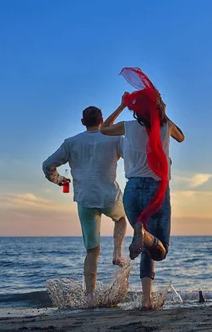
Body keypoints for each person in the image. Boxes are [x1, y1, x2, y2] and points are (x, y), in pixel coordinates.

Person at [100, 91, 185, 310]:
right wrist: (163, 113)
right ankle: (144, 235)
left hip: (132, 190)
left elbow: (104, 128)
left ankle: (146, 300)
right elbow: (182, 137)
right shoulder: (166, 127)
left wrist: (121, 106)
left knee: (148, 245)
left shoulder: (128, 126)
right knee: (160, 248)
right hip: (156, 189)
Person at [42, 106, 127, 305]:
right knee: (122, 219)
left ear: (82, 122)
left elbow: (47, 165)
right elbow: (131, 156)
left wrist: (59, 180)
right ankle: (117, 254)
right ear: (102, 120)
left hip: (85, 199)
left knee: (92, 251)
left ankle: (90, 297)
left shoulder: (71, 143)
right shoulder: (115, 139)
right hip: (109, 197)